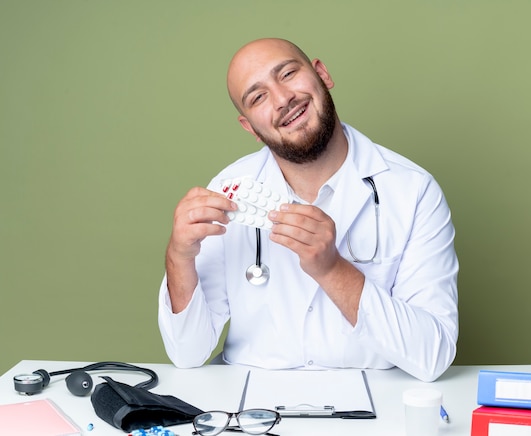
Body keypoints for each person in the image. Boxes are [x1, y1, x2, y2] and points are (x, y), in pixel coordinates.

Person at [158, 38, 458, 382]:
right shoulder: (228, 191)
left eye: (287, 73)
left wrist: (332, 269)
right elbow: (187, 353)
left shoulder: (413, 190)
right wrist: (179, 256)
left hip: (374, 407)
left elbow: (433, 355)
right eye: (258, 97)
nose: (283, 99)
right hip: (253, 406)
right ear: (249, 127)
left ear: (321, 74)